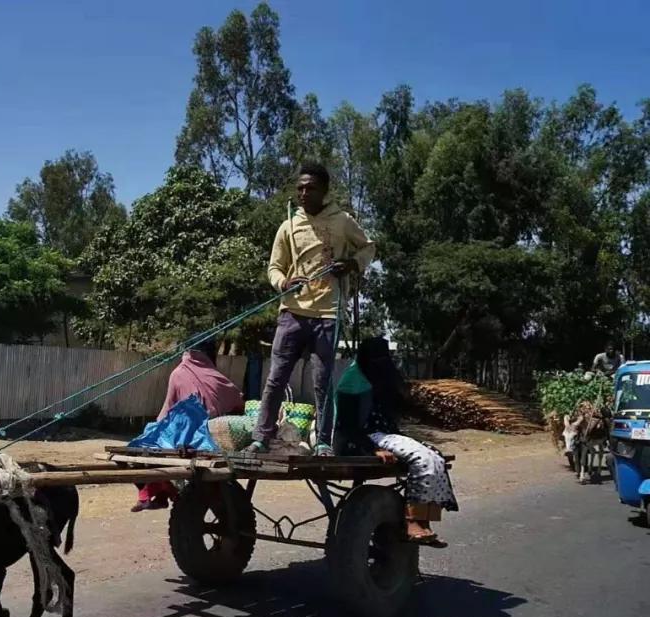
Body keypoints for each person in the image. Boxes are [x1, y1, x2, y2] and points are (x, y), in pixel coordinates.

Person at [249, 161, 376, 457]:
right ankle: (261, 437)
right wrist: (283, 283)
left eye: (311, 188)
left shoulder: (342, 222)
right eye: (300, 188)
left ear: (325, 191)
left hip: (327, 315)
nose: (304, 193)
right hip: (291, 312)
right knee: (275, 378)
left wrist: (353, 264)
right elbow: (274, 267)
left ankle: (322, 441)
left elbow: (368, 247)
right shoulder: (289, 225)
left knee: (322, 382)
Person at [336, 337, 459, 546]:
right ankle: (412, 521)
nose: (382, 362)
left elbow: (403, 408)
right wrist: (371, 449)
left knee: (435, 457)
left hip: (386, 435)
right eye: (377, 358)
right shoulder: (352, 380)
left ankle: (424, 520)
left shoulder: (385, 380)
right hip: (361, 438)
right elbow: (346, 426)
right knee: (421, 459)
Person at [132, 339, 244, 512]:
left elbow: (167, 410)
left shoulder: (178, 373)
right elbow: (238, 400)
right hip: (214, 437)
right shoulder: (215, 375)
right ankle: (162, 494)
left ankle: (159, 494)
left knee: (141, 445)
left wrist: (156, 429)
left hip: (188, 439)